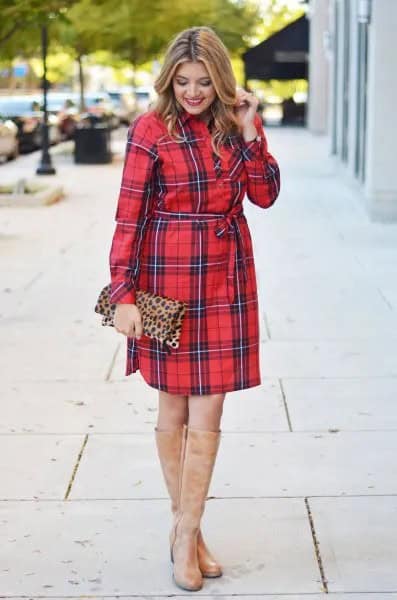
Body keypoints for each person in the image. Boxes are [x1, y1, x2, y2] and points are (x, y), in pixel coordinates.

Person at [108, 26, 280, 592]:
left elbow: (265, 194)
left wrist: (253, 129)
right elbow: (128, 215)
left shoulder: (235, 128)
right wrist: (122, 292)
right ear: (169, 81)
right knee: (173, 411)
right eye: (183, 82)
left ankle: (185, 533)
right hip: (166, 277)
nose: (193, 92)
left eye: (204, 82)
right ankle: (189, 535)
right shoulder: (149, 130)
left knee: (209, 416)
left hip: (226, 280)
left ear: (220, 79)